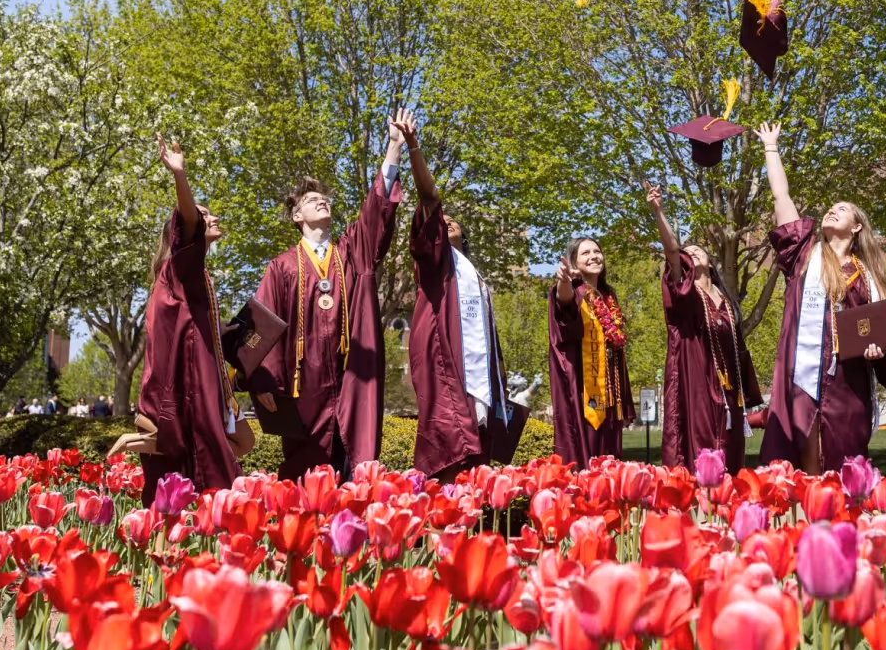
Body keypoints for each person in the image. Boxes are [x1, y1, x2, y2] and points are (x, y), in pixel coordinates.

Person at [244, 113, 407, 481]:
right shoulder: (282, 267)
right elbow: (259, 326)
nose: (322, 202)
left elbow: (374, 214)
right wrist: (262, 382)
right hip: (305, 393)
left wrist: (394, 147)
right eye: (311, 199)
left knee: (355, 475)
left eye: (324, 198)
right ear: (296, 216)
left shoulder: (351, 253)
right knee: (307, 485)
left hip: (353, 383)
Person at [755, 122, 886, 473]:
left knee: (842, 470)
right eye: (831, 208)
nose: (832, 210)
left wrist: (880, 350)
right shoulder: (804, 255)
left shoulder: (870, 279)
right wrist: (771, 148)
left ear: (856, 226)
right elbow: (782, 199)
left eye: (842, 209)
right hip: (802, 379)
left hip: (848, 385)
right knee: (802, 466)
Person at [399, 113, 523, 479]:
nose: (446, 219)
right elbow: (429, 196)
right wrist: (414, 147)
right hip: (448, 367)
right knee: (451, 447)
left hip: (481, 380)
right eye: (441, 219)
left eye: (454, 220)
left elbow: (488, 335)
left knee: (479, 455)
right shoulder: (437, 263)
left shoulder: (475, 275)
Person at [135, 136, 248, 506]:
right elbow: (187, 219)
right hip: (187, 391)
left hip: (205, 382)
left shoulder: (195, 273)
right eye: (203, 214)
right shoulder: (180, 267)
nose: (211, 218)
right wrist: (180, 176)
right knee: (204, 477)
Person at [647, 183, 763, 475]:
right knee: (704, 451)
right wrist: (658, 211)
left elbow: (738, 350)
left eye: (698, 250)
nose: (692, 254)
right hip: (699, 384)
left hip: (730, 390)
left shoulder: (726, 300)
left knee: (733, 455)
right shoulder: (686, 296)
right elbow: (672, 252)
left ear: (711, 264)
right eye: (689, 253)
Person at [547, 237, 635, 468]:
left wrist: (624, 400)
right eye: (585, 253)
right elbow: (563, 304)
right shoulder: (574, 290)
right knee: (585, 453)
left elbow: (617, 349)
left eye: (597, 251)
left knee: (610, 458)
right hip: (582, 391)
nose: (594, 256)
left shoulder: (608, 296)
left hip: (610, 392)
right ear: (574, 261)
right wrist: (564, 281)